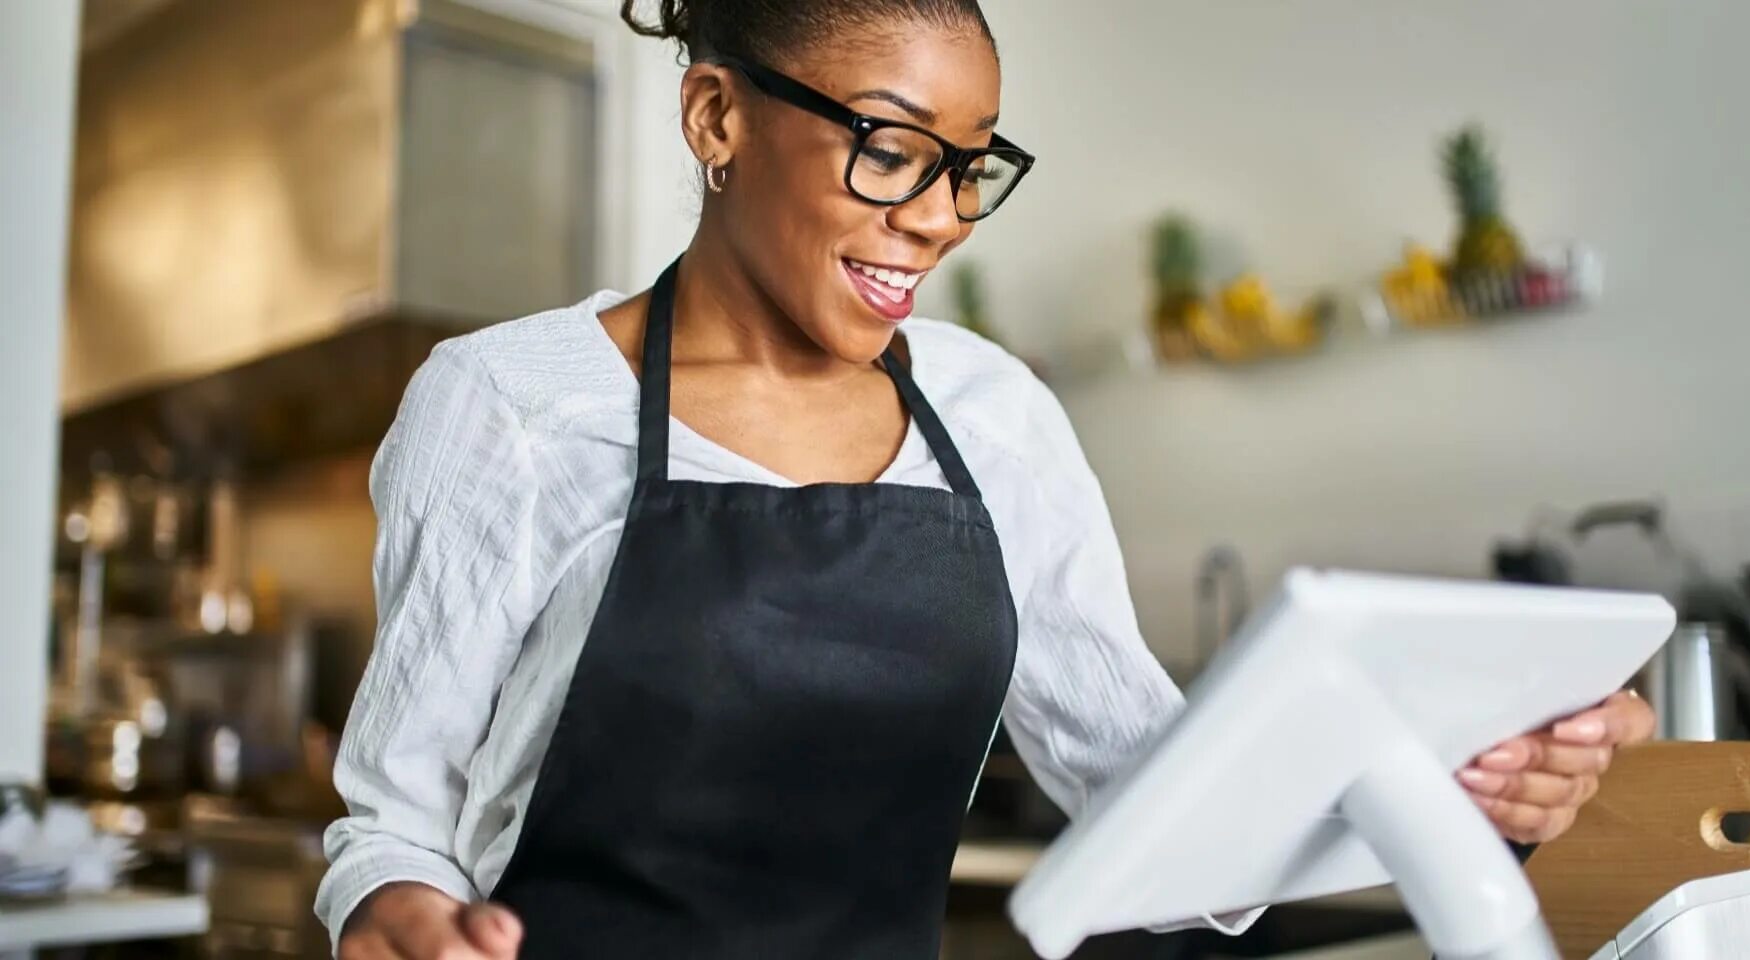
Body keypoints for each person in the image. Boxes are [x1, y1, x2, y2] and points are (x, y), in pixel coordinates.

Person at [317, 1, 1656, 957]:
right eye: (891, 151)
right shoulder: (513, 406)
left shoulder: (992, 413)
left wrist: (1458, 782)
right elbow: (393, 820)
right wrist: (393, 909)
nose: (941, 216)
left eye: (972, 168)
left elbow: (1159, 803)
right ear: (716, 113)